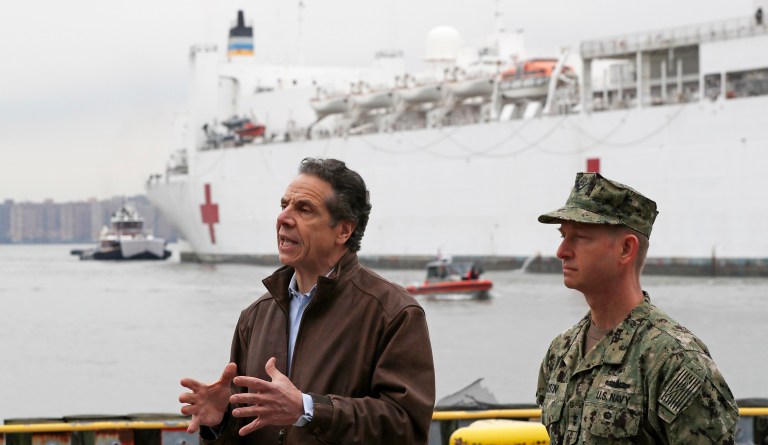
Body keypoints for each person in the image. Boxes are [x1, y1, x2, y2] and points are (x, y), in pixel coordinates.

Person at [179, 157, 436, 444]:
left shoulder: (393, 313)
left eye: (304, 209)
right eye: (284, 206)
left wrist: (308, 409)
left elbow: (407, 428)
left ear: (344, 230)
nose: (284, 218)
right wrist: (221, 422)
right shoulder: (254, 317)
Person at [535, 172, 739, 444]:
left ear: (625, 250)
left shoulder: (674, 360)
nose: (562, 251)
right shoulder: (561, 351)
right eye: (563, 236)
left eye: (580, 237)